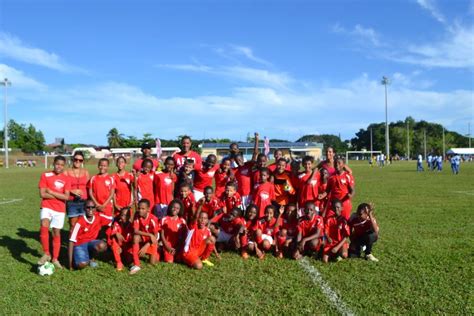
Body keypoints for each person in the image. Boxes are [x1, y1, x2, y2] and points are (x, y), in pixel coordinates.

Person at [37, 155, 71, 268]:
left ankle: (55, 258)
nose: (59, 167)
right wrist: (59, 196)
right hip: (47, 206)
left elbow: (66, 197)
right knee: (44, 224)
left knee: (56, 232)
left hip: (60, 209)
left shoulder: (66, 178)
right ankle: (47, 253)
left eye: (61, 165)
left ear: (64, 166)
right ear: (53, 163)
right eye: (57, 164)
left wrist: (51, 192)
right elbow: (42, 194)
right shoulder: (45, 175)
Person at [68, 199, 111, 270]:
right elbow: (71, 241)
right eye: (88, 207)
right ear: (84, 208)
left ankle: (89, 257)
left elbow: (112, 221)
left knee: (102, 245)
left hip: (91, 243)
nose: (90, 209)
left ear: (95, 208)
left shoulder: (99, 217)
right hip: (79, 245)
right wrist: (70, 265)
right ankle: (80, 258)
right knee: (81, 265)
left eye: (92, 207)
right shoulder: (79, 222)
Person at [129, 199, 160, 275]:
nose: (140, 210)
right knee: (135, 237)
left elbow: (155, 236)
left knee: (152, 263)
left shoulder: (153, 219)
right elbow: (135, 231)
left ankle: (158, 252)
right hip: (144, 237)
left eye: (143, 209)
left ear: (148, 209)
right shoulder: (137, 216)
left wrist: (146, 246)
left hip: (153, 240)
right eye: (139, 208)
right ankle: (137, 264)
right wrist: (149, 235)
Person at [65, 151, 90, 229]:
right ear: (73, 159)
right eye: (76, 159)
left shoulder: (86, 172)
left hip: (84, 201)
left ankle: (81, 241)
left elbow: (89, 187)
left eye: (80, 160)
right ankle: (72, 241)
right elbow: (63, 187)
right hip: (72, 202)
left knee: (83, 225)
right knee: (73, 225)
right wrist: (72, 191)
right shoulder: (66, 172)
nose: (78, 161)